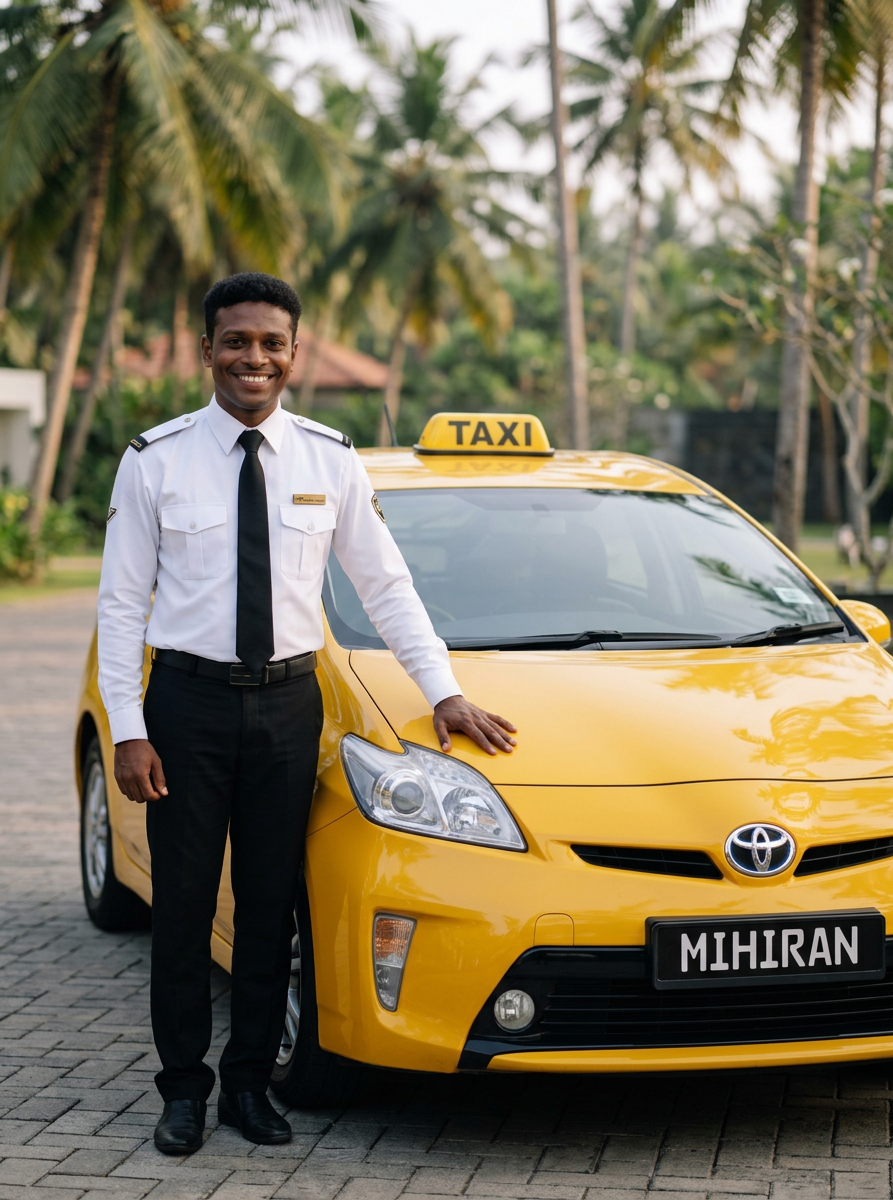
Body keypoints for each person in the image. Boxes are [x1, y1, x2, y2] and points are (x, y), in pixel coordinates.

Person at [96, 272, 516, 1156]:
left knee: (270, 906)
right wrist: (128, 728)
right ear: (207, 348)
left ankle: (249, 1086)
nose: (256, 358)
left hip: (290, 708)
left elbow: (386, 586)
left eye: (272, 343)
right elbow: (120, 606)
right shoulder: (155, 459)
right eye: (238, 341)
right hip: (187, 707)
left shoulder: (330, 458)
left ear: (294, 353)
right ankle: (182, 1091)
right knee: (179, 909)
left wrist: (442, 689)